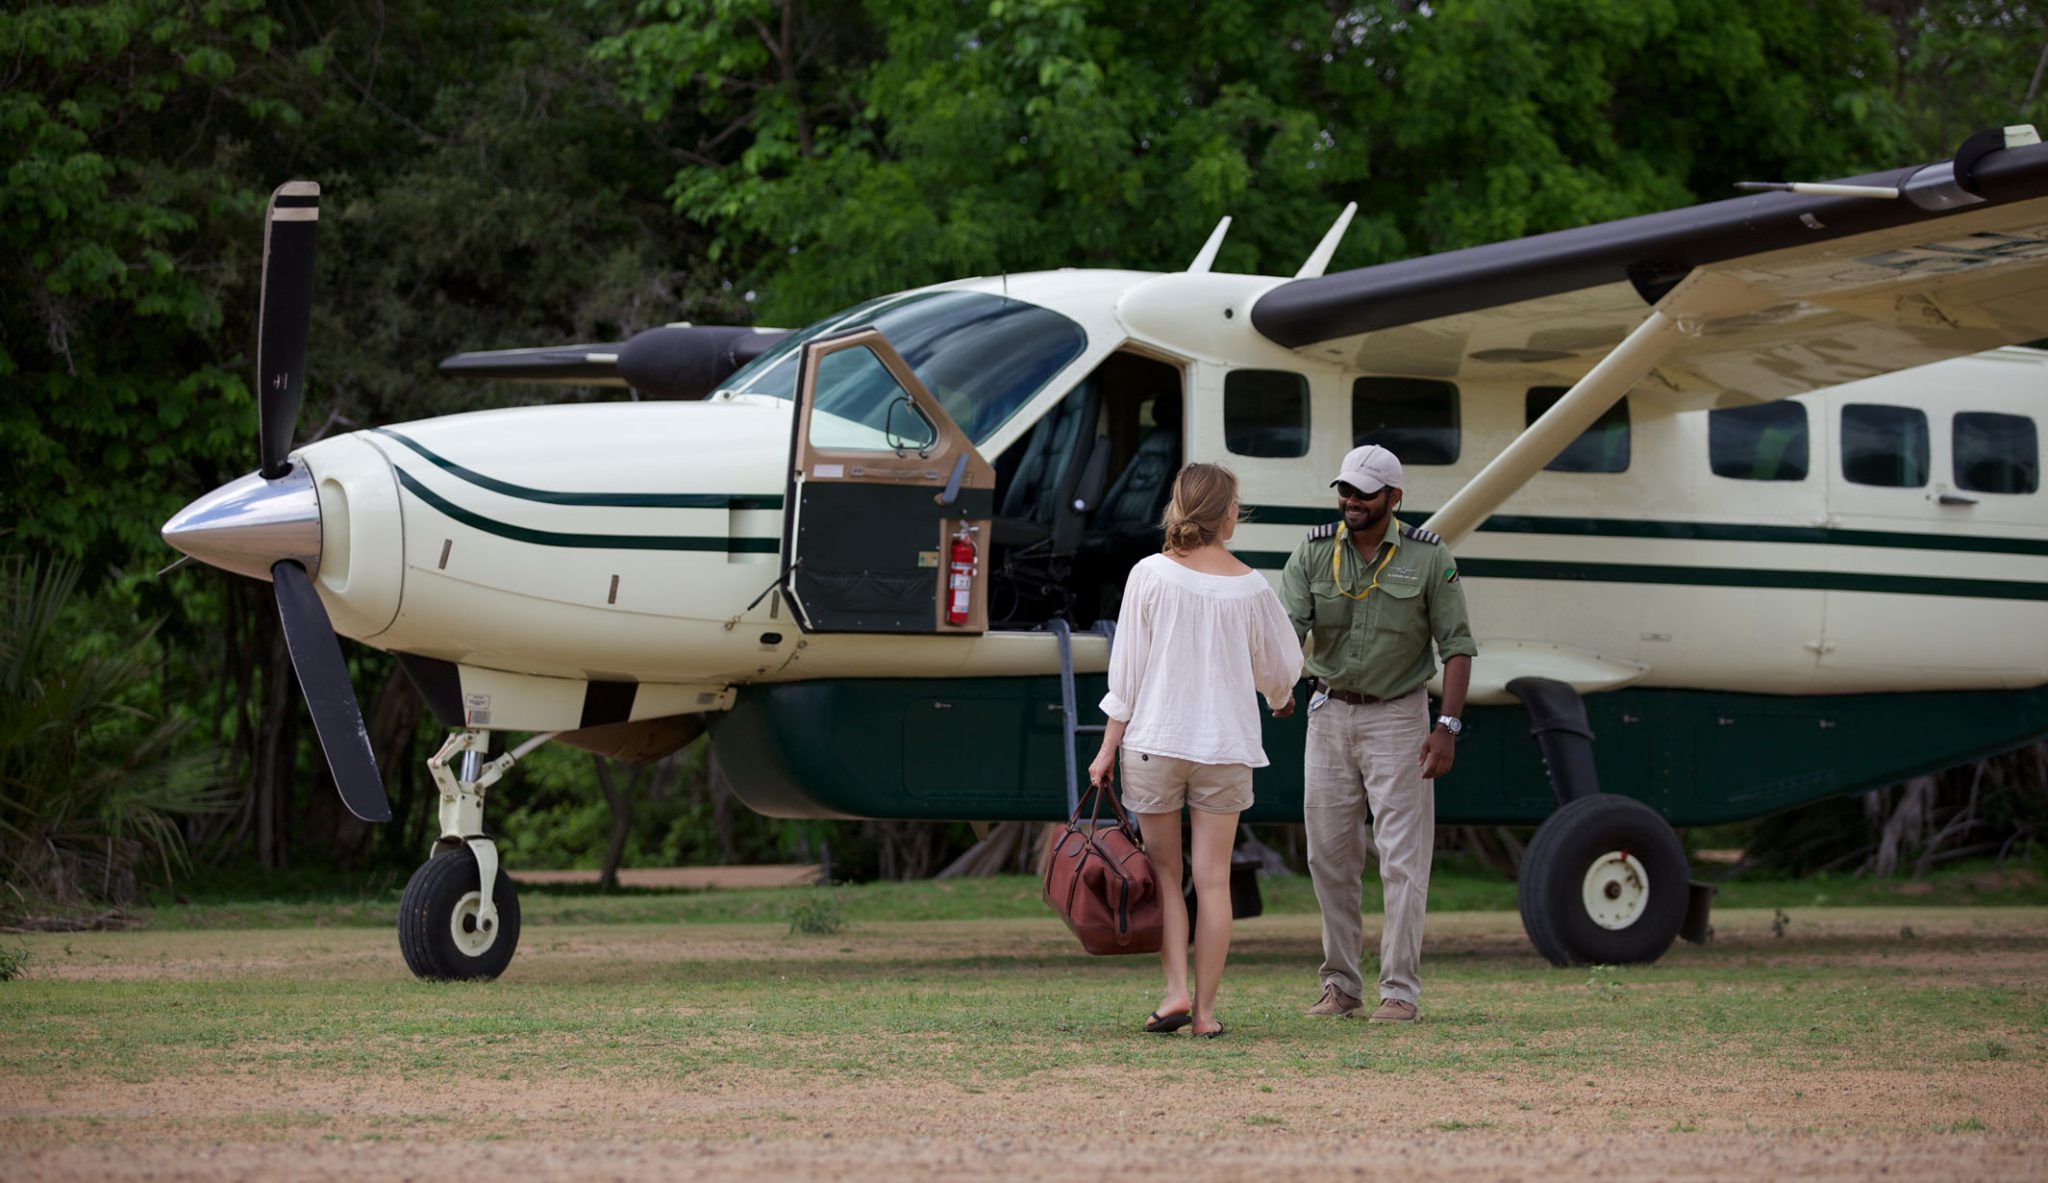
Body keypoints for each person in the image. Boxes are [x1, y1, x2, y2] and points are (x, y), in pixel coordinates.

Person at [1088, 462, 1302, 1039]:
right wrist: (1279, 699)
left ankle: (1174, 993)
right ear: (1225, 513)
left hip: (1155, 743)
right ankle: (1204, 1015)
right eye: (1236, 505)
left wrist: (1108, 748)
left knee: (1165, 875)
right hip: (1226, 749)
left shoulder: (1150, 574)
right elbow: (1283, 668)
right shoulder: (1253, 587)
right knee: (1212, 881)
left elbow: (1125, 677)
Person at [1279, 444, 1476, 1024]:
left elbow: (1458, 646)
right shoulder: (1314, 552)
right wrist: (1274, 687)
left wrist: (1447, 726)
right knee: (1329, 856)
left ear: (1394, 498)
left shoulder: (1429, 556)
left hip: (1399, 715)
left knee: (1402, 858)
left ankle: (1399, 992)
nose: (1351, 502)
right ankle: (1340, 984)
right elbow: (1286, 632)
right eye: (1345, 490)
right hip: (1328, 713)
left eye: (1365, 493)